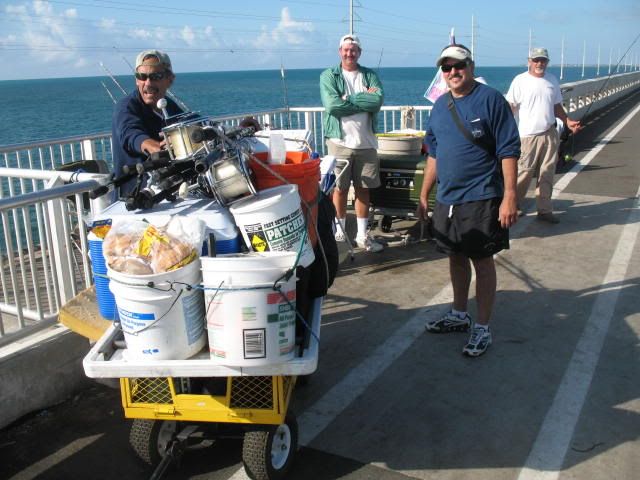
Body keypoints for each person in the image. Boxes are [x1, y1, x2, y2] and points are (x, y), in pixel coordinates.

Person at [417, 44, 521, 357]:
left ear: (471, 66)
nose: (453, 72)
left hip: (482, 196)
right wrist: (424, 194)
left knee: (482, 261)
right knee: (455, 256)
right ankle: (459, 314)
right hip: (447, 198)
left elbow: (508, 150)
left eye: (458, 66)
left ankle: (483, 327)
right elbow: (434, 153)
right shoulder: (440, 106)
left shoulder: (491, 100)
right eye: (446, 68)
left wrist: (510, 196)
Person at [320, 34, 385, 253]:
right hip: (339, 142)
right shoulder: (329, 75)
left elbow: (377, 101)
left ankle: (361, 235)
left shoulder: (370, 75)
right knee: (339, 189)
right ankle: (339, 232)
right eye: (346, 49)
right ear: (340, 51)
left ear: (359, 52)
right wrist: (362, 99)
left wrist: (347, 98)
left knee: (364, 190)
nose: (350, 53)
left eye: (354, 49)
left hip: (366, 143)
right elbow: (332, 106)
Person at [506, 47, 582, 223]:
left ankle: (545, 210)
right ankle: (514, 206)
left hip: (550, 133)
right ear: (529, 61)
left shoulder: (552, 80)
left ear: (547, 62)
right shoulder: (520, 81)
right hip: (527, 136)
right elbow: (511, 107)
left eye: (543, 60)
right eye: (536, 60)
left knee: (547, 173)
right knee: (523, 173)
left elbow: (556, 106)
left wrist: (568, 121)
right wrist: (504, 129)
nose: (539, 63)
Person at [111, 49, 183, 197]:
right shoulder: (126, 107)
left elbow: (190, 123)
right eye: (142, 77)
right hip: (135, 196)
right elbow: (130, 134)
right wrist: (154, 148)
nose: (148, 83)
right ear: (136, 80)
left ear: (170, 79)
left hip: (168, 192)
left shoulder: (169, 106)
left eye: (155, 76)